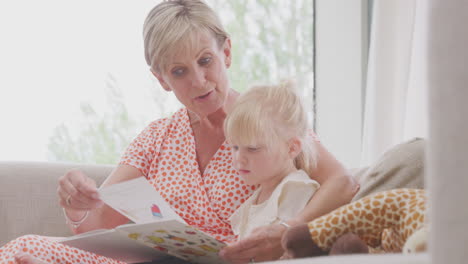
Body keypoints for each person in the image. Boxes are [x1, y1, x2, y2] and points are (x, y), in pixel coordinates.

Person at [0, 0, 358, 263]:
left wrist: (287, 232)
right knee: (24, 249)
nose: (199, 81)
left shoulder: (266, 115)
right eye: (179, 71)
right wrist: (77, 204)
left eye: (205, 61)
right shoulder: (155, 139)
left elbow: (341, 180)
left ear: (226, 52)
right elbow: (97, 224)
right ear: (161, 79)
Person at [224, 81, 320, 244]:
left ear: (291, 148)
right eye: (235, 147)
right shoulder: (255, 199)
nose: (239, 158)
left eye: (253, 148)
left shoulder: (295, 189)